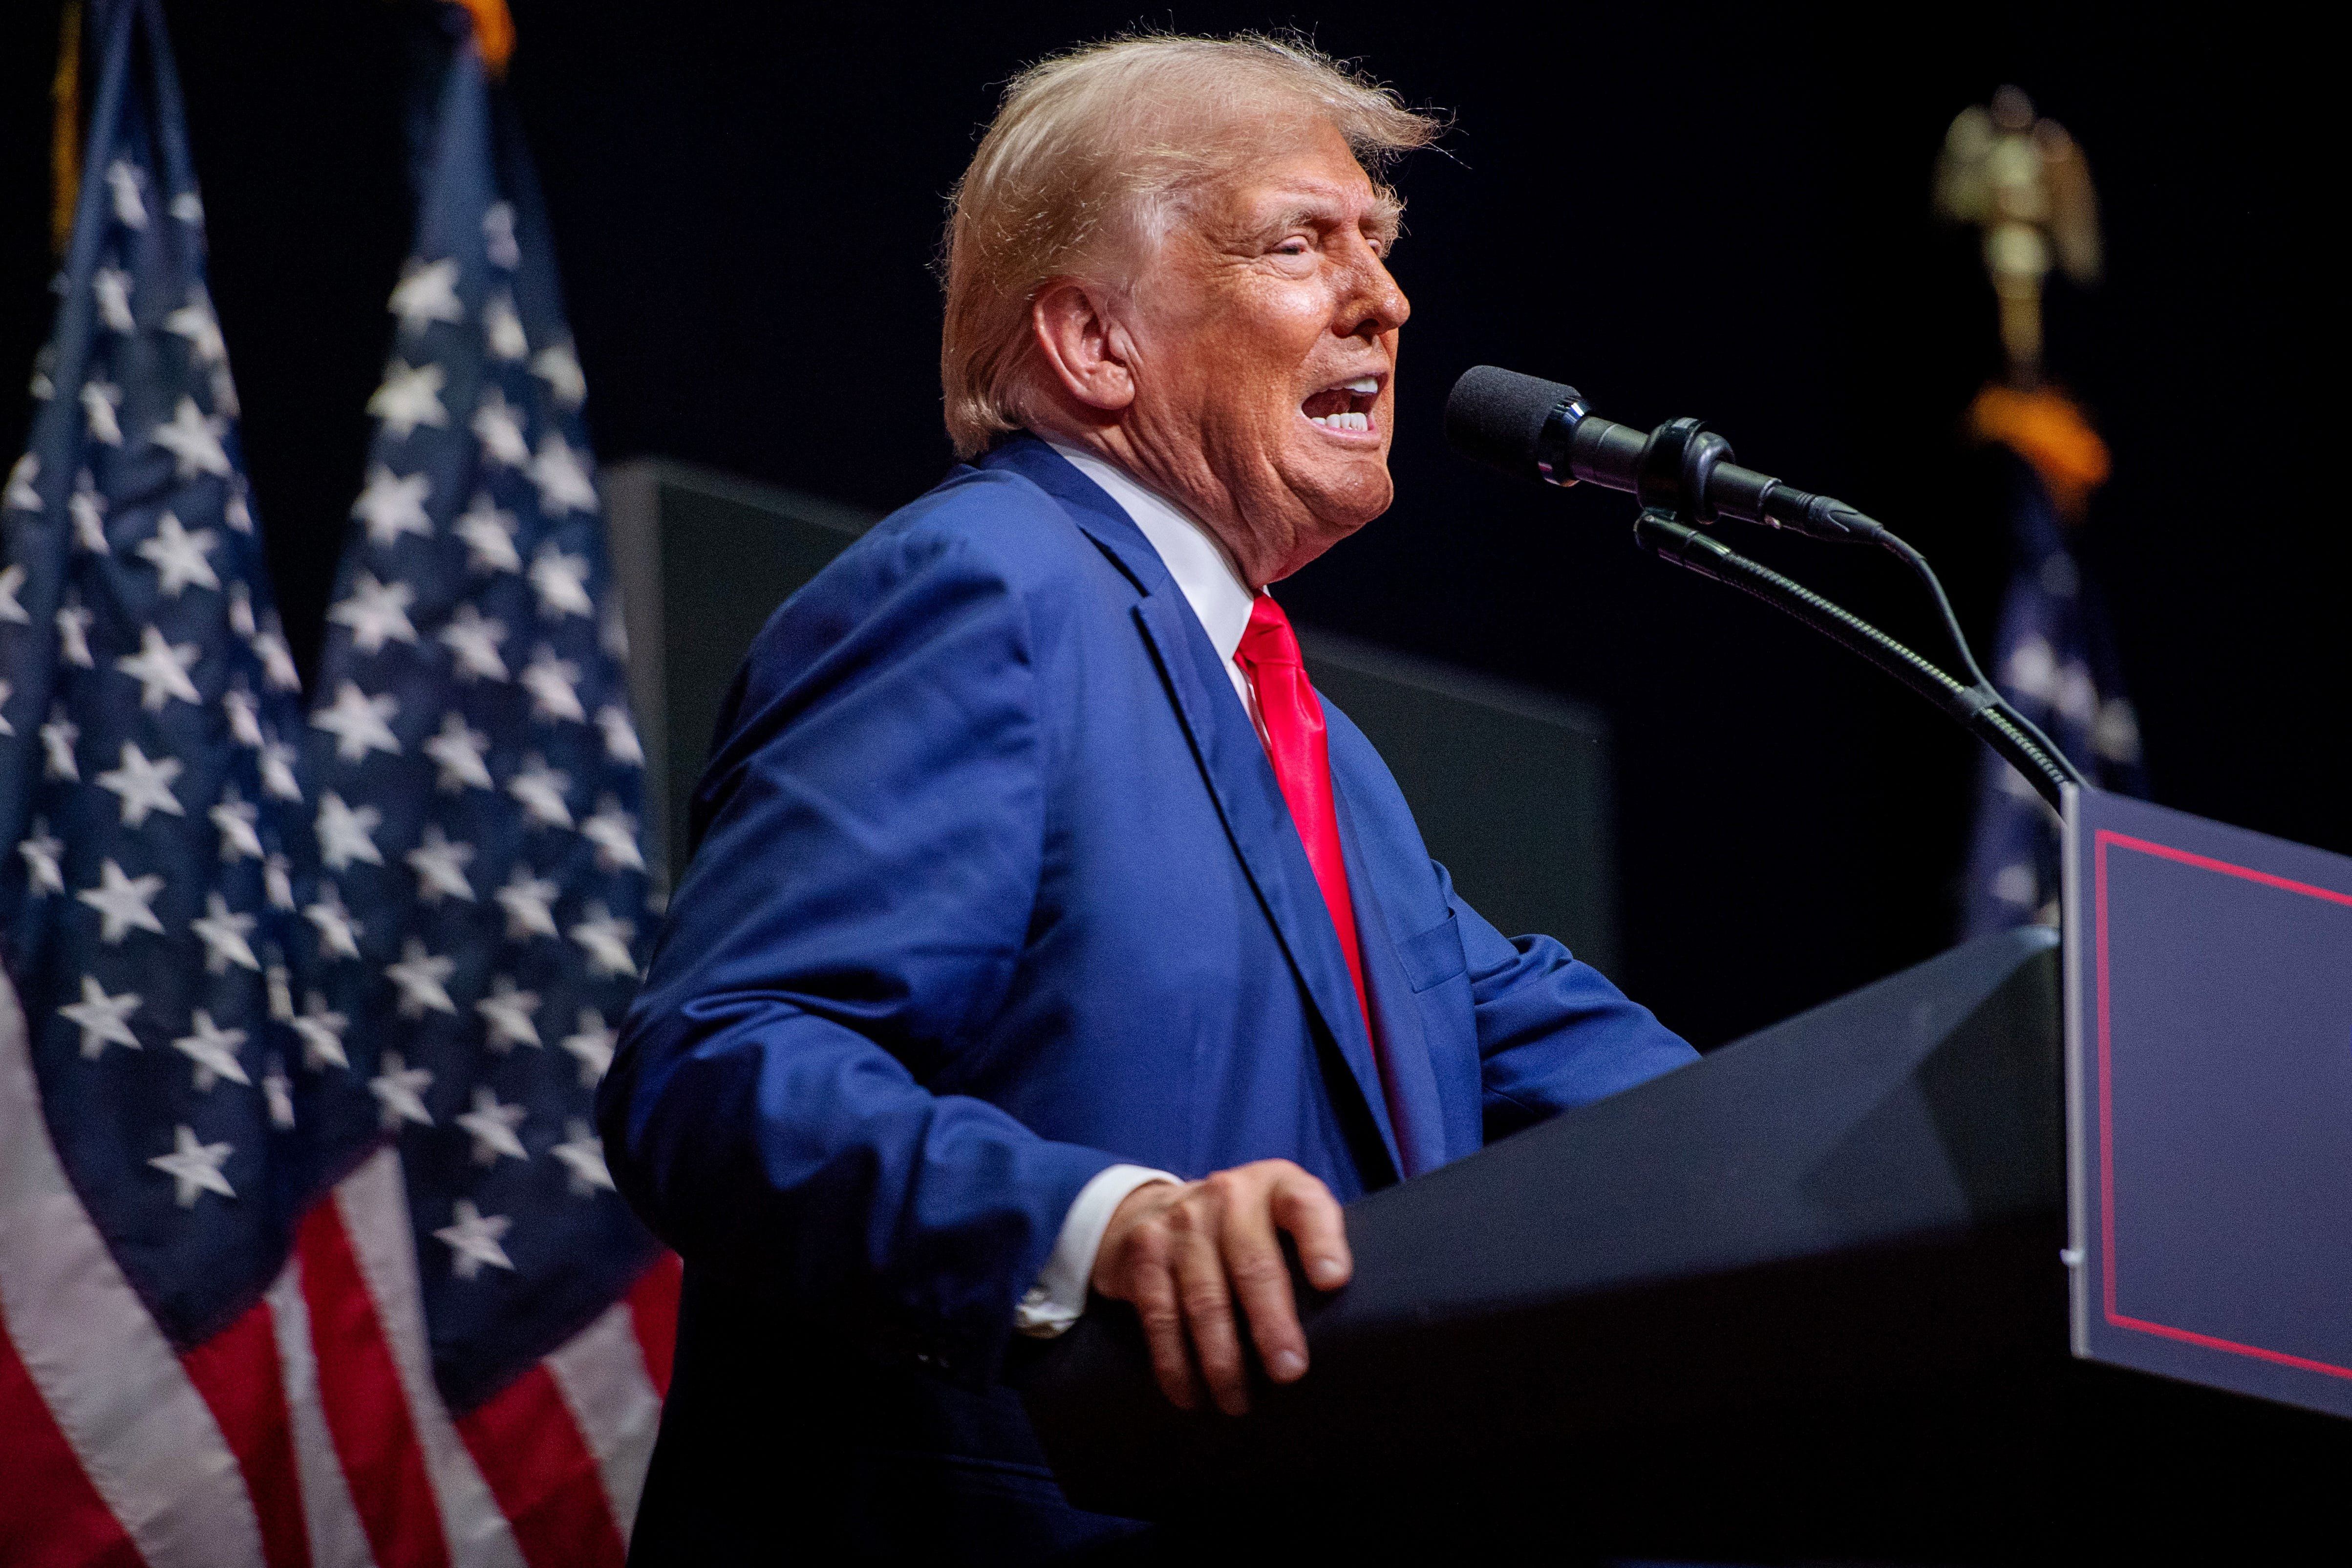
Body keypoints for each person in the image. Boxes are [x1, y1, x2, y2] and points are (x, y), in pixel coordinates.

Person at [599, 33, 1696, 1564]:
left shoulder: (1318, 753)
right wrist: (1100, 1226)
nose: (1382, 297)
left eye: (1376, 244)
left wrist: (1966, 1134)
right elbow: (718, 1068)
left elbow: (1628, 1093)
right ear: (1093, 343)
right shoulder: (984, 588)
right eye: (1300, 242)